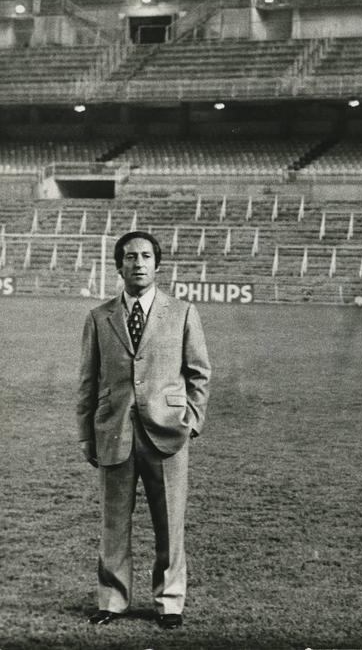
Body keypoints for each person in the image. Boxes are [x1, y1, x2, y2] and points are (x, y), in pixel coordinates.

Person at [77, 230, 211, 630]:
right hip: (113, 432)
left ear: (158, 263)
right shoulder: (100, 317)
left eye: (146, 256)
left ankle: (169, 602)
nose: (138, 263)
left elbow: (199, 373)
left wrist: (192, 421)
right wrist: (87, 434)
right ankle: (112, 600)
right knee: (113, 522)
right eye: (130, 257)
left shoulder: (183, 312)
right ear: (119, 266)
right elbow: (87, 380)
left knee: (169, 521)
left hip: (168, 433)